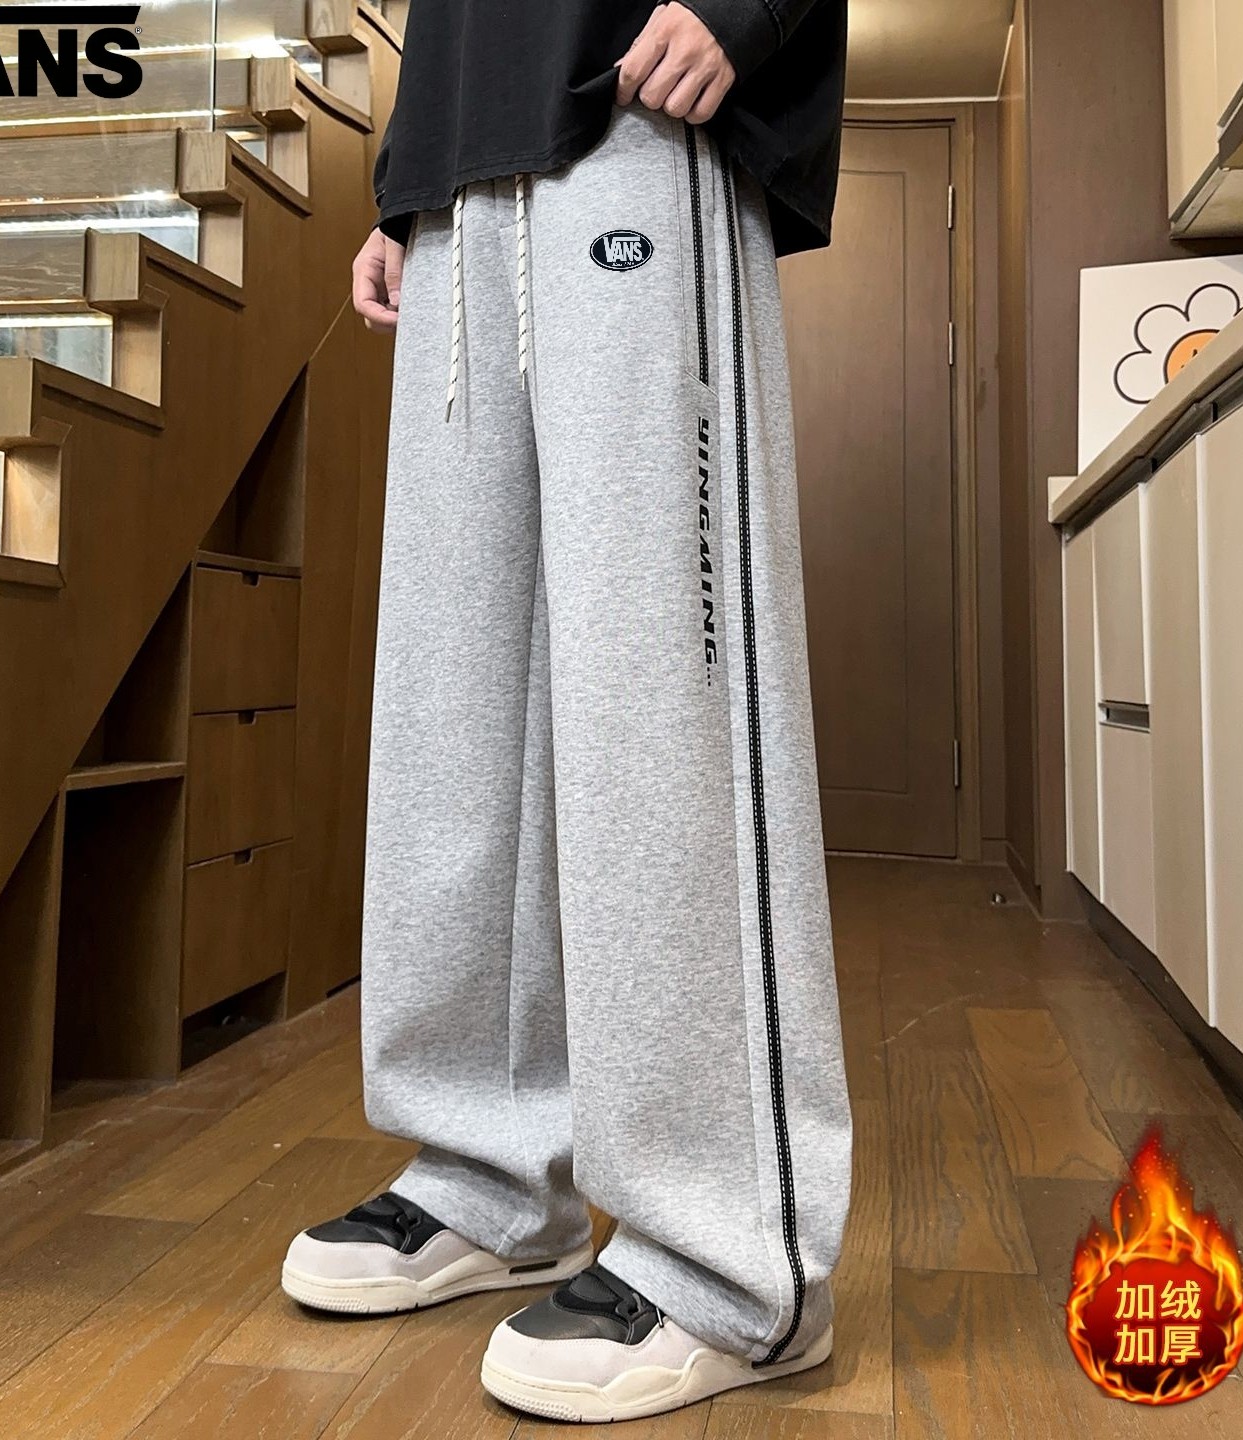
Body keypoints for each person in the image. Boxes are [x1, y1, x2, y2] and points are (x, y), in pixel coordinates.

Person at [281, 0, 853, 1421]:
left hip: (641, 118)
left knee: (661, 707)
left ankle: (733, 1256)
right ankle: (489, 1173)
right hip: (457, 195)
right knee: (454, 716)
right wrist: (405, 183)